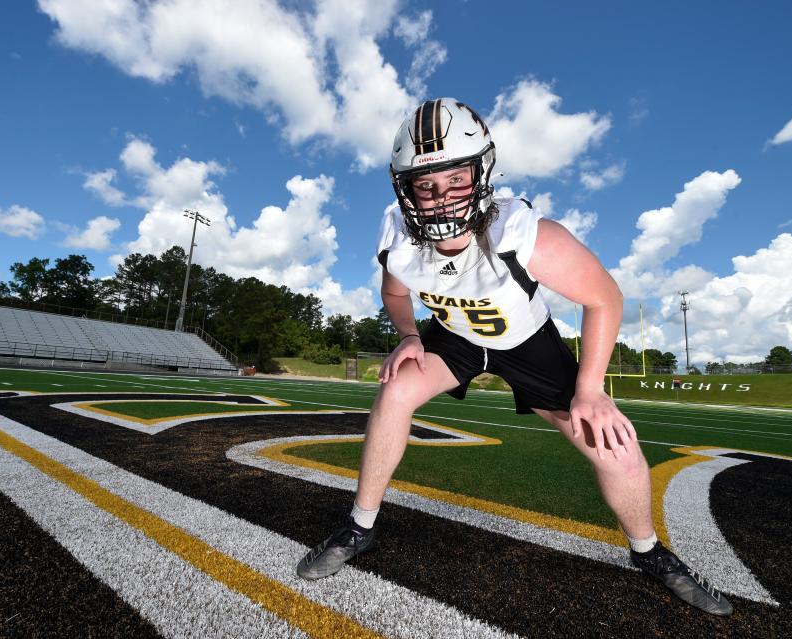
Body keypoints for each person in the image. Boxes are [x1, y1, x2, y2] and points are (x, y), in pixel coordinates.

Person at [296, 98, 732, 617]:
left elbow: (605, 298)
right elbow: (395, 295)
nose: (442, 199)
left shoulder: (526, 235)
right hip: (454, 335)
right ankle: (359, 527)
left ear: (481, 172)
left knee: (614, 444)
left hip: (527, 342)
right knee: (394, 391)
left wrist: (590, 390)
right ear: (404, 188)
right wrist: (411, 335)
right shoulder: (397, 236)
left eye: (456, 179)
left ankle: (649, 552)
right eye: (425, 185)